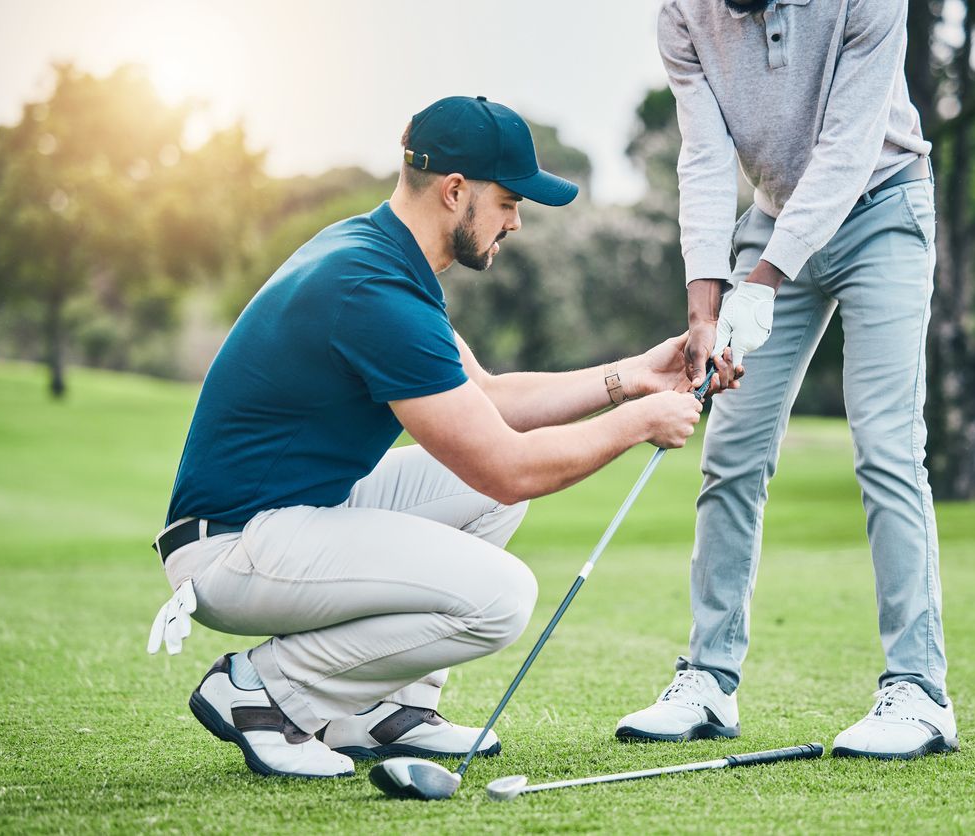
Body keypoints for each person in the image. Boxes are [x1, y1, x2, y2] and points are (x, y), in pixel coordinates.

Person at [146, 95, 716, 779]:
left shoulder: (376, 257)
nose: (515, 221)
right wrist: (635, 425)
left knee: (481, 497)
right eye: (507, 201)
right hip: (234, 548)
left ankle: (379, 709)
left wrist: (634, 375)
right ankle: (265, 692)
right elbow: (510, 465)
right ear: (455, 192)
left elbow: (489, 401)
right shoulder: (373, 291)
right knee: (501, 596)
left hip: (280, 521)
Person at [615, 0, 958, 760]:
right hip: (769, 220)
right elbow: (704, 158)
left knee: (887, 447)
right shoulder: (682, 14)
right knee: (729, 454)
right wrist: (705, 305)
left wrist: (762, 284)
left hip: (882, 205)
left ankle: (918, 691)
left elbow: (847, 145)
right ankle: (708, 680)